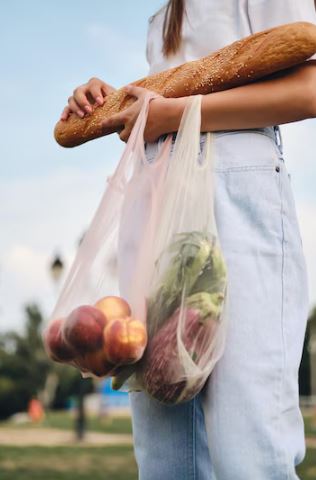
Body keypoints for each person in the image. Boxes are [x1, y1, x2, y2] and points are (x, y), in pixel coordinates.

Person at [60, 1, 316, 478]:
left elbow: (310, 88)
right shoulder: (163, 19)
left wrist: (175, 115)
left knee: (248, 448)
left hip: (233, 191)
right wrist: (114, 102)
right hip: (158, 198)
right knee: (165, 454)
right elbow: (175, 97)